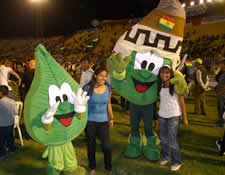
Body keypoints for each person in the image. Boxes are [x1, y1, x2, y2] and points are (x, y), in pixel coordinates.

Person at [83, 67, 114, 175]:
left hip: (103, 122)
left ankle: (108, 167)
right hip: (90, 121)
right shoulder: (87, 88)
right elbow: (82, 105)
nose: (104, 78)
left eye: (105, 76)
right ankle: (92, 167)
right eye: (101, 75)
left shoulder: (108, 88)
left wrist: (111, 118)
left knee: (107, 146)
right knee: (91, 146)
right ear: (95, 76)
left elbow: (108, 104)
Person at [157, 65, 188, 171]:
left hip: (174, 115)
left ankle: (176, 162)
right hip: (162, 115)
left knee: (172, 140)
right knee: (163, 139)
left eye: (167, 72)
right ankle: (166, 157)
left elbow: (182, 102)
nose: (164, 75)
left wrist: (185, 117)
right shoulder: (160, 84)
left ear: (171, 74)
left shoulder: (175, 85)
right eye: (162, 72)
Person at [0, 85, 18, 160]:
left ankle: (2, 153)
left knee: (1, 140)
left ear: (0, 93)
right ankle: (11, 148)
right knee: (10, 137)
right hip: (10, 124)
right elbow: (16, 112)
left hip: (1, 125)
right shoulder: (12, 101)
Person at [214, 56, 225, 128]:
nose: (219, 65)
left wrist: (220, 91)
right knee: (219, 107)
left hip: (223, 93)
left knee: (222, 107)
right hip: (220, 92)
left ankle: (221, 124)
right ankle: (219, 119)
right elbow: (217, 79)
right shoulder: (222, 72)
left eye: (221, 64)